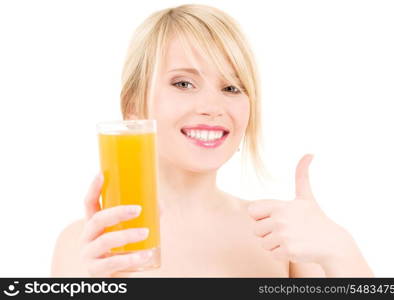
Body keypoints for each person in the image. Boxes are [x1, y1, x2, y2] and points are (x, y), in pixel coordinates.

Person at [50, 4, 373, 278]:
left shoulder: (283, 237)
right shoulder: (87, 247)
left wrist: (340, 252)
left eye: (232, 88)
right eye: (184, 83)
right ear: (133, 105)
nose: (212, 108)